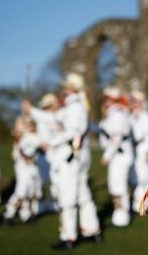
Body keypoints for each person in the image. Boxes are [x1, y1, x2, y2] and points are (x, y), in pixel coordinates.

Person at [26, 72, 101, 249]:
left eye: (66, 86)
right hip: (77, 156)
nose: (63, 89)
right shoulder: (74, 106)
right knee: (83, 195)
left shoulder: (74, 108)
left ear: (71, 89)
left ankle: (68, 237)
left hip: (70, 156)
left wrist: (51, 141)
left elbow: (72, 132)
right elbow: (53, 118)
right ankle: (92, 230)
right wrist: (32, 111)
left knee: (67, 198)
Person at [98, 86, 134, 227]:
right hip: (118, 155)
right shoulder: (115, 113)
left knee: (118, 187)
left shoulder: (117, 114)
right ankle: (120, 214)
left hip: (119, 155)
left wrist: (107, 155)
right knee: (116, 186)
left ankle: (121, 217)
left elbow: (116, 137)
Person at [3, 115, 42, 224]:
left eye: (32, 124)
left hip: (31, 166)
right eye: (29, 125)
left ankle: (25, 215)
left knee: (29, 191)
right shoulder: (27, 137)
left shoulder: (28, 136)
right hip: (23, 166)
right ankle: (8, 213)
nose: (32, 126)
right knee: (21, 191)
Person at [129, 91, 148, 213]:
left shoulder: (145, 116)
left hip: (143, 149)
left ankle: (140, 205)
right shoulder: (133, 115)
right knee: (140, 178)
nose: (133, 104)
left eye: (135, 101)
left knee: (142, 178)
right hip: (135, 149)